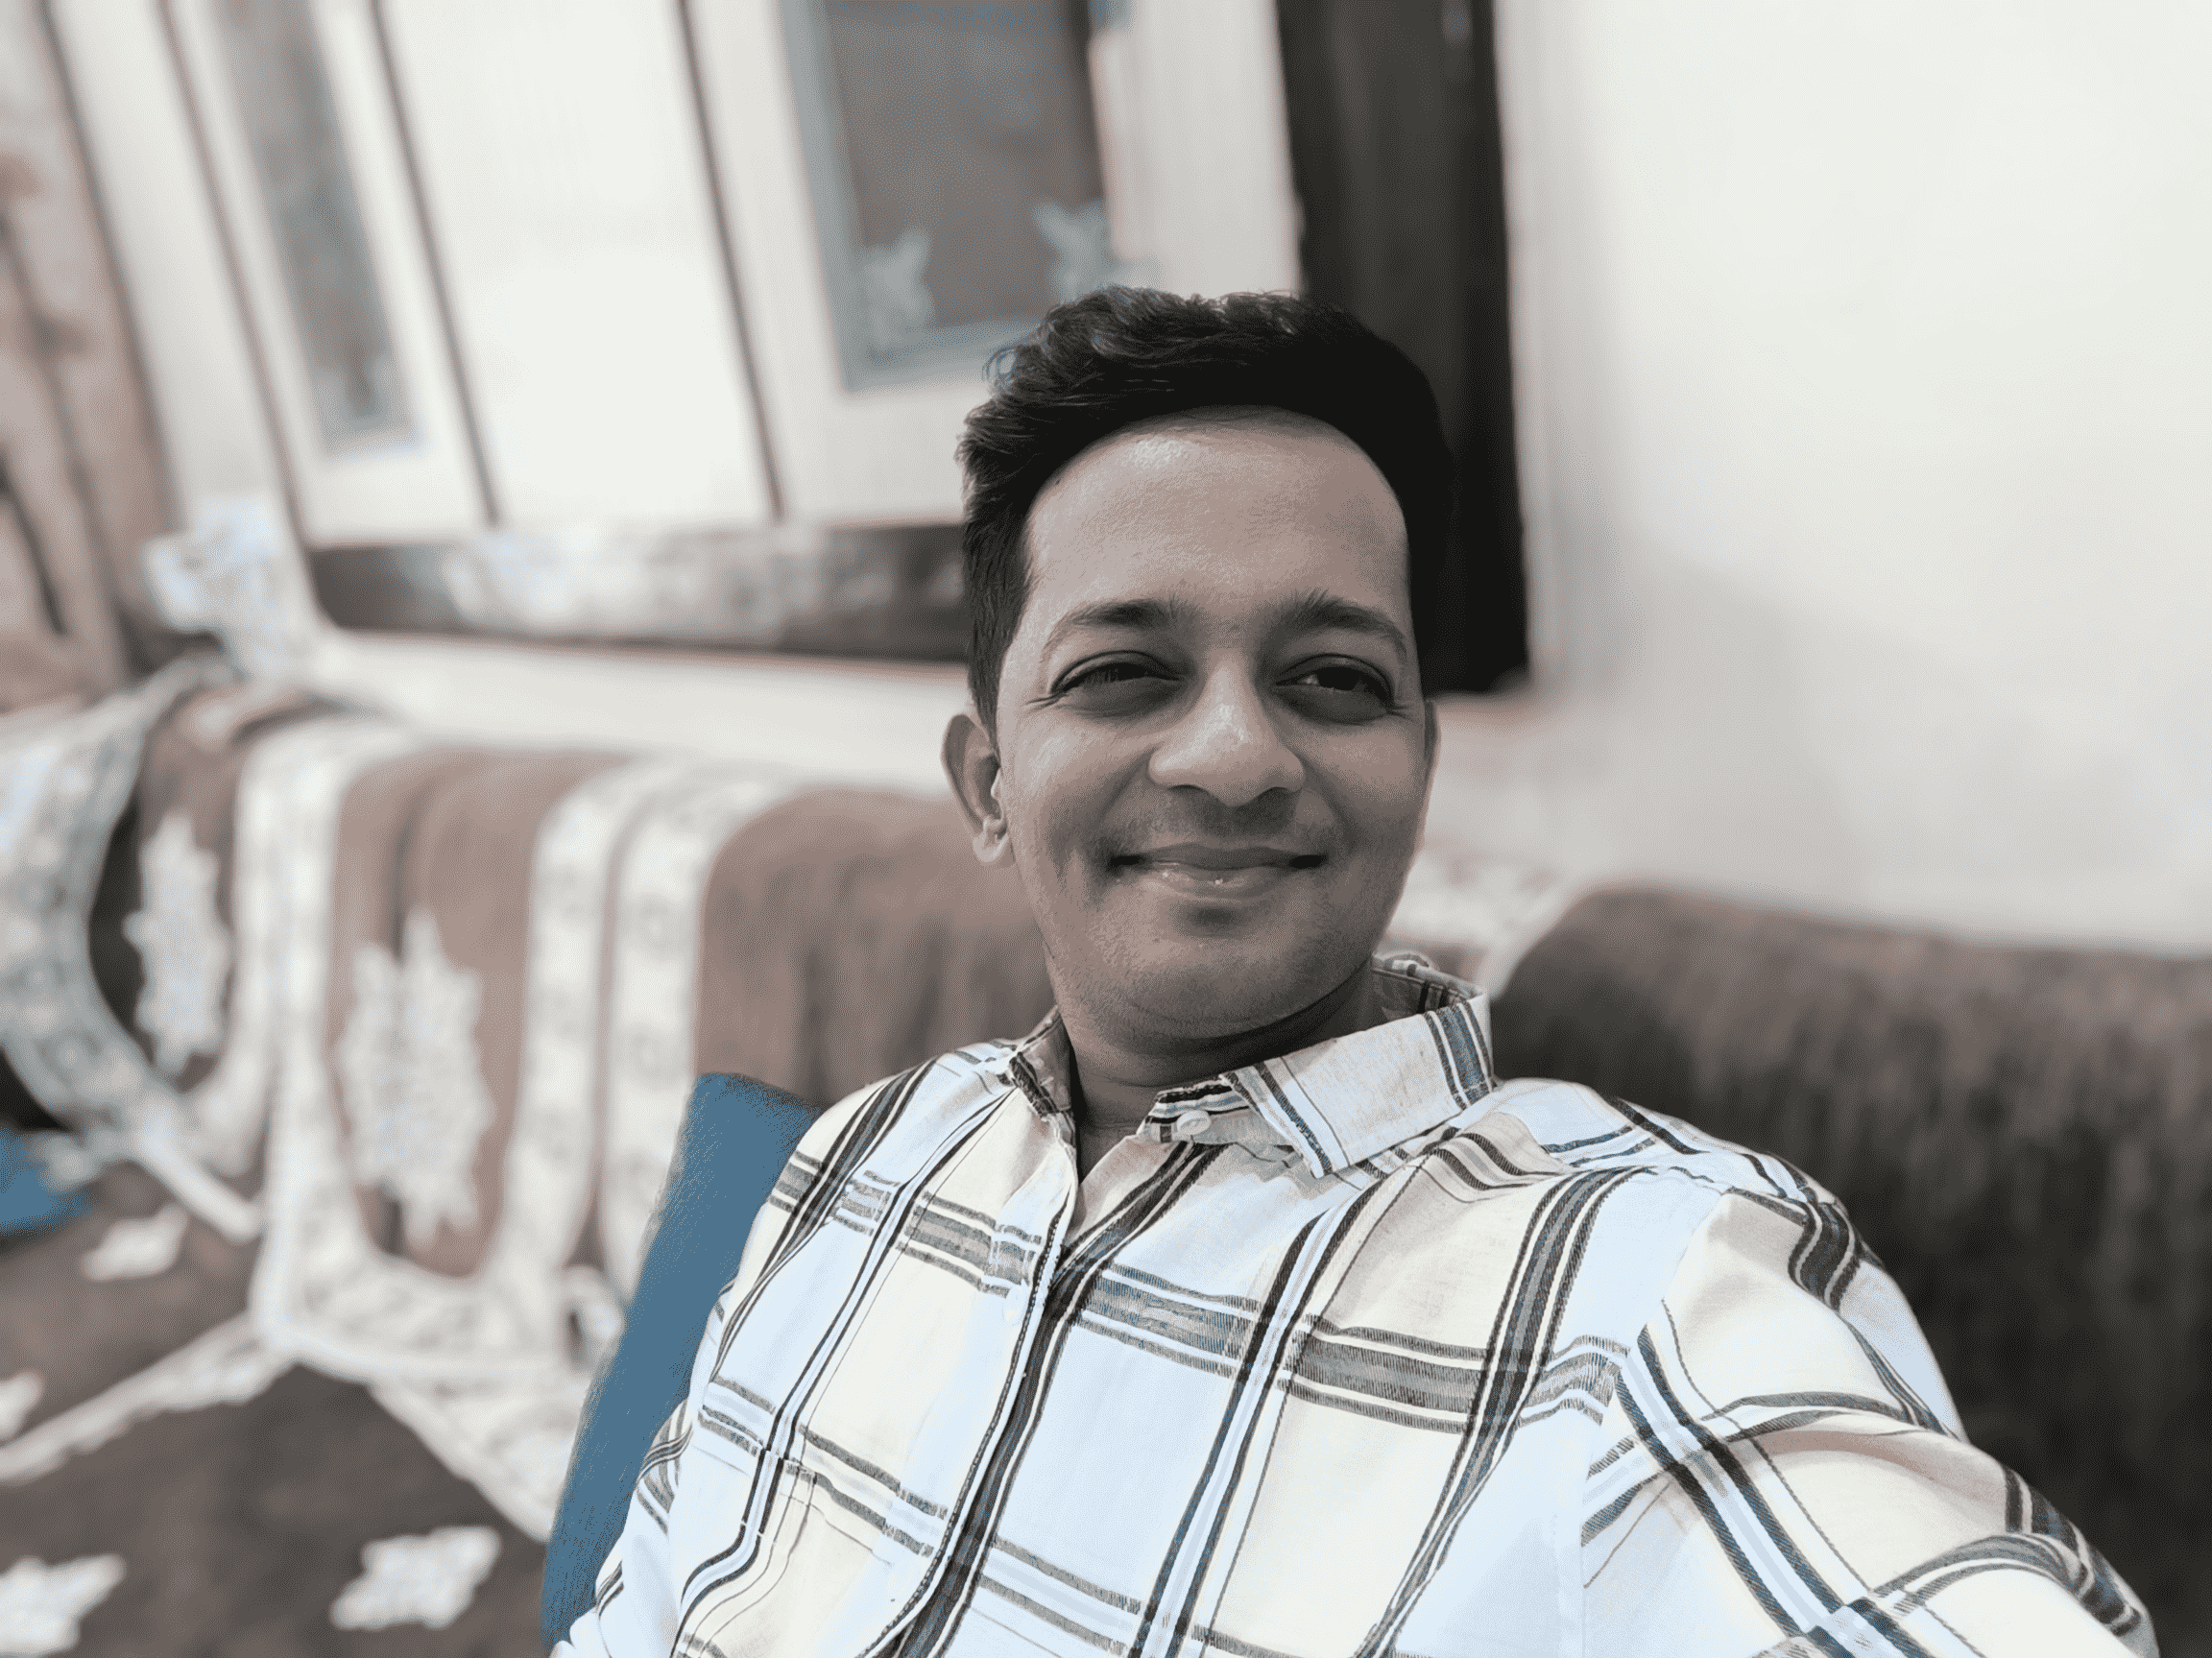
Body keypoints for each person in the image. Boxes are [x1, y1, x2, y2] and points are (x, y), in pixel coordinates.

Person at [554, 289, 2153, 1657]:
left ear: (1418, 768)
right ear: (987, 784)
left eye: (1331, 677)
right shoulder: (855, 1157)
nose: (1236, 754)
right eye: (1124, 671)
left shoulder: (1646, 1291)